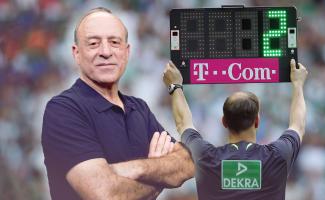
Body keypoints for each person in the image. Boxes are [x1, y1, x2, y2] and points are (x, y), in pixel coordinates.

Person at [41, 7, 194, 200]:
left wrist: (135, 168)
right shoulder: (63, 110)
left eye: (114, 42)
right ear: (76, 53)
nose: (105, 52)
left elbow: (187, 163)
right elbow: (104, 194)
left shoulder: (140, 109)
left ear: (126, 51)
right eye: (94, 43)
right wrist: (158, 176)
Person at [162, 59, 308, 200]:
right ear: (257, 121)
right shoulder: (277, 156)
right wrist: (298, 84)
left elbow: (183, 123)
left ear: (224, 122)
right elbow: (298, 125)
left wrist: (175, 85)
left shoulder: (206, 157)